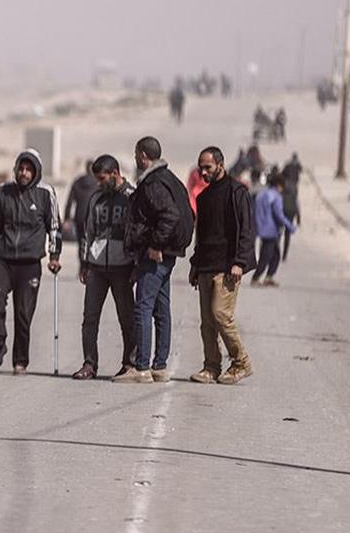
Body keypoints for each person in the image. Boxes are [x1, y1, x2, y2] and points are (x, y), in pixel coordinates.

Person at [116, 136, 193, 384]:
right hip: (168, 255)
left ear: (142, 155)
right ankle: (159, 366)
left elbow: (169, 215)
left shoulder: (153, 183)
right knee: (161, 308)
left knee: (143, 308)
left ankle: (141, 367)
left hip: (157, 255)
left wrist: (156, 244)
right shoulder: (171, 179)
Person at [0, 149, 63, 375]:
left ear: (35, 172)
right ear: (16, 169)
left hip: (30, 262)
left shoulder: (46, 193)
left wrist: (54, 257)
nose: (24, 173)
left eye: (29, 169)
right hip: (4, 259)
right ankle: (0, 343)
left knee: (23, 313)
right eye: (21, 168)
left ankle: (21, 361)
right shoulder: (3, 191)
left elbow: (54, 228)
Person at [187, 147, 256, 385]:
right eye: (201, 167)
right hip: (206, 265)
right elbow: (202, 235)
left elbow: (246, 230)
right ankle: (211, 366)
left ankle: (241, 362)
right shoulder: (203, 197)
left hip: (227, 268)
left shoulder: (237, 192)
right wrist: (195, 265)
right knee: (207, 322)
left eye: (208, 167)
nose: (204, 171)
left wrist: (240, 262)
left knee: (221, 315)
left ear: (220, 164)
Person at [72, 155, 136, 381]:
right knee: (90, 318)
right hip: (97, 268)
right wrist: (84, 263)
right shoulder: (96, 198)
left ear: (115, 173)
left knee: (126, 317)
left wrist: (135, 264)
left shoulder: (131, 197)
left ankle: (130, 363)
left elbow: (137, 233)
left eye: (102, 178)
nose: (99, 183)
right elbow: (87, 233)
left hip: (122, 267)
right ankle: (89, 363)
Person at [251, 173, 296, 287]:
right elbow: (278, 214)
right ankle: (256, 278)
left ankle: (269, 277)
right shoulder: (276, 197)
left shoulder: (261, 194)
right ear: (279, 185)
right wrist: (289, 226)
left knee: (275, 255)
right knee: (266, 256)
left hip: (262, 229)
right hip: (271, 231)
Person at [63, 160, 98, 241]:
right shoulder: (98, 183)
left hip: (79, 217)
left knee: (81, 242)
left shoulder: (77, 182)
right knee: (92, 243)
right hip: (94, 217)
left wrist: (67, 218)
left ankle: (81, 253)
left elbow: (70, 201)